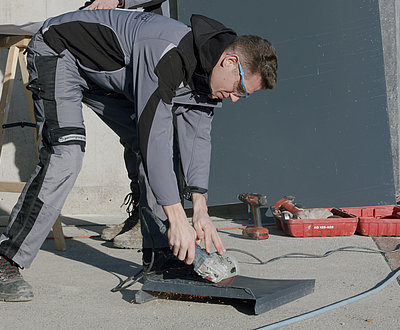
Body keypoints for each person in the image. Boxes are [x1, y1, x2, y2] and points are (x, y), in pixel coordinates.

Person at [0, 9, 277, 302]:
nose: (235, 98)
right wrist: (177, 217)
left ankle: (160, 258)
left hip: (109, 77)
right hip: (61, 52)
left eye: (242, 96)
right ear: (230, 62)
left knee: (165, 157)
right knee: (66, 153)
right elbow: (152, 136)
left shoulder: (208, 78)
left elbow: (195, 140)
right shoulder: (166, 52)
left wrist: (200, 208)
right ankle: (7, 257)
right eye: (240, 89)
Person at [80, 1, 171, 249]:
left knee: (148, 135)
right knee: (131, 134)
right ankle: (139, 215)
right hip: (123, 46)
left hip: (156, 42)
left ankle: (152, 223)